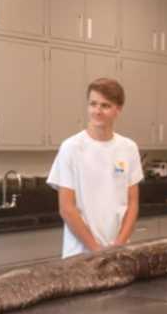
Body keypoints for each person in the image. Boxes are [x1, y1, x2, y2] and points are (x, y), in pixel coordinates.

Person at [46, 78, 142, 257]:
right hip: (80, 254)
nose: (97, 111)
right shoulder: (71, 148)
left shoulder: (128, 148)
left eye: (105, 106)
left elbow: (133, 203)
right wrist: (97, 250)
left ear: (118, 109)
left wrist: (119, 246)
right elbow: (66, 208)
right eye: (93, 104)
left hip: (119, 252)